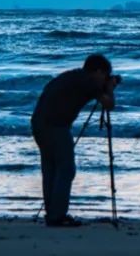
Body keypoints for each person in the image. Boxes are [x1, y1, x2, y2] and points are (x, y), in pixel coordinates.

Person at [31, 53, 118, 227]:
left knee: (51, 169)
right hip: (55, 126)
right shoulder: (89, 81)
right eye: (105, 75)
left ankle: (53, 214)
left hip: (39, 123)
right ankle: (58, 215)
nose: (105, 79)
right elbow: (109, 104)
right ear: (98, 71)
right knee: (66, 170)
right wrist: (109, 88)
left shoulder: (73, 76)